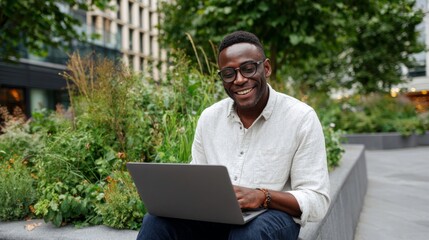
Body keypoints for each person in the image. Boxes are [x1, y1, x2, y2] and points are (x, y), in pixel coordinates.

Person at [137, 30, 330, 240]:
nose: (239, 80)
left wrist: (262, 196)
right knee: (155, 221)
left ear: (266, 68)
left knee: (250, 233)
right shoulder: (209, 118)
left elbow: (317, 200)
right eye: (229, 73)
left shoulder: (301, 118)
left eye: (248, 69)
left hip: (271, 218)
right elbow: (197, 181)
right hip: (214, 219)